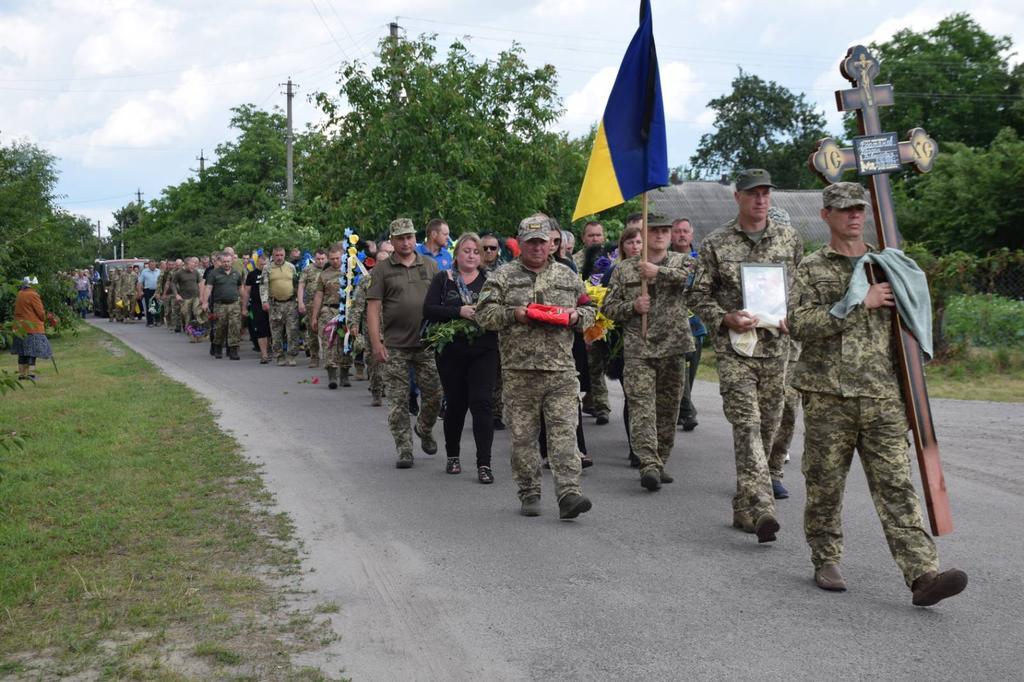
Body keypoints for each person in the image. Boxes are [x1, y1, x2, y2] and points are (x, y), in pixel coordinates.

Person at [790, 182, 967, 605]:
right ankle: (826, 557)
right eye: (844, 209)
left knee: (896, 485)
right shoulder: (813, 267)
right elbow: (798, 324)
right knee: (825, 483)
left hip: (883, 396)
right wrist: (857, 303)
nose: (854, 215)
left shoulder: (890, 266)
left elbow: (910, 323)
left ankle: (923, 574)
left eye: (859, 209)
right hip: (828, 395)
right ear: (826, 215)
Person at [687, 168, 803, 543]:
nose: (761, 199)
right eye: (753, 193)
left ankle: (743, 505)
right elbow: (697, 295)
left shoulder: (789, 238)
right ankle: (763, 505)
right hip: (736, 349)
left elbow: (800, 289)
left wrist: (794, 317)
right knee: (747, 424)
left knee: (768, 427)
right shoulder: (716, 242)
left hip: (777, 349)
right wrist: (724, 318)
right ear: (737, 197)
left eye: (766, 193)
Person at [477, 214, 596, 520]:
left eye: (542, 242)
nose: (537, 248)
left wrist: (575, 318)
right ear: (521, 243)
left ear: (551, 244)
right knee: (523, 438)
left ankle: (569, 493)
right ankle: (529, 490)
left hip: (561, 372)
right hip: (519, 373)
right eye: (531, 242)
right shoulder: (502, 276)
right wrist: (512, 314)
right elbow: (484, 314)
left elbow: (590, 309)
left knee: (564, 436)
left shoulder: (567, 275)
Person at [604, 217, 695, 491]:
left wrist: (658, 273)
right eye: (654, 230)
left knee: (668, 410)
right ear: (643, 234)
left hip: (673, 347)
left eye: (665, 231)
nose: (661, 235)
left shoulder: (684, 262)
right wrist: (633, 306)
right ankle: (648, 464)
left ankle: (660, 459)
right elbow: (608, 307)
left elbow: (692, 283)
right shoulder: (624, 269)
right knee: (642, 408)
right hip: (639, 349)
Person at [422, 232, 499, 484]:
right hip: (452, 352)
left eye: (476, 251)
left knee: (482, 403)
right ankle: (453, 455)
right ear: (456, 255)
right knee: (456, 404)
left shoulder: (491, 281)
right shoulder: (444, 279)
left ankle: (484, 463)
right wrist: (459, 311)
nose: (472, 255)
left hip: (484, 351)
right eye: (466, 250)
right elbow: (429, 310)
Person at [367, 219, 443, 468]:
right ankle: (405, 448)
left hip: (427, 344)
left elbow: (442, 302)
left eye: (409, 237)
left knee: (434, 395)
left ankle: (423, 426)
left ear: (415, 238)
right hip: (395, 345)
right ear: (392, 241)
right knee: (398, 401)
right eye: (400, 238)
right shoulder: (382, 270)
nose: (406, 242)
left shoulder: (430, 266)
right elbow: (373, 307)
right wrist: (377, 343)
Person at [601, 225, 643, 467]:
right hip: (625, 341)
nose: (635, 247)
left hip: (655, 342)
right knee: (633, 396)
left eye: (639, 242)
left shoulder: (656, 270)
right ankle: (636, 448)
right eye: (630, 243)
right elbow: (606, 306)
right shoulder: (614, 272)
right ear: (622, 246)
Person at [671, 218, 705, 432]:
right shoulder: (666, 259)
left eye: (685, 231)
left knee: (689, 374)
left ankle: (681, 409)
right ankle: (687, 411)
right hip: (672, 326)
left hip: (696, 324)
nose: (682, 235)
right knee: (678, 370)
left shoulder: (702, 260)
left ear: (692, 234)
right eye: (677, 231)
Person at [578, 219, 613, 425]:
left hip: (610, 316)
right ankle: (602, 406)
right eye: (591, 235)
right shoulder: (576, 259)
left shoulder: (613, 258)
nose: (595, 239)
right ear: (584, 238)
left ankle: (592, 400)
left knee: (605, 362)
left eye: (598, 235)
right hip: (589, 318)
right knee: (594, 364)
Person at [310, 244, 348, 388]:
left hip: (345, 312)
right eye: (332, 259)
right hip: (328, 311)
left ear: (342, 256)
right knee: (329, 343)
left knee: (346, 343)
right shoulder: (324, 274)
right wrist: (314, 316)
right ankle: (332, 376)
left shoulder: (350, 272)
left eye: (337, 258)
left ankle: (344, 375)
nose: (335, 261)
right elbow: (319, 295)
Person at [260, 246, 301, 366]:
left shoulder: (291, 267)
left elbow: (296, 284)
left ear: (285, 255)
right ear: (273, 256)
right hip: (275, 305)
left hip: (290, 304)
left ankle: (291, 356)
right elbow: (263, 286)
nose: (279, 257)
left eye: (281, 255)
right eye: (277, 255)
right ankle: (279, 356)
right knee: (276, 332)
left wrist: (299, 300)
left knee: (292, 331)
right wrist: (264, 301)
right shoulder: (267, 268)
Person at [202, 252, 244, 360]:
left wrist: (244, 303)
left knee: (234, 327)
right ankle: (218, 348)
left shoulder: (236, 273)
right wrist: (205, 302)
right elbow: (208, 288)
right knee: (219, 327)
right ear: (221, 262)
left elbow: (241, 288)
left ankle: (233, 350)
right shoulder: (214, 273)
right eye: (224, 261)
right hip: (219, 305)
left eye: (228, 261)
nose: (226, 263)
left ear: (232, 261)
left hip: (234, 304)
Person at [10, 277, 53, 382]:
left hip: (19, 327)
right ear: (33, 285)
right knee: (32, 352)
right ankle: (31, 374)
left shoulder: (20, 293)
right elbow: (40, 313)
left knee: (22, 352)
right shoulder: (34, 295)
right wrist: (46, 316)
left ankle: (21, 375)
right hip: (32, 328)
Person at [298, 249, 327, 368]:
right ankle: (314, 357)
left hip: (327, 305)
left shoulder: (330, 269)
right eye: (318, 259)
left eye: (322, 259)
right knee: (312, 332)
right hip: (311, 304)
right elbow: (301, 285)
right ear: (314, 258)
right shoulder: (308, 269)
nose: (320, 261)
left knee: (327, 332)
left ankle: (329, 358)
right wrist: (300, 302)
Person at [242, 254, 272, 362]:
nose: (263, 266)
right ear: (257, 263)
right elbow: (246, 292)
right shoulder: (252, 275)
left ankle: (269, 350)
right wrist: (244, 308)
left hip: (272, 305)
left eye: (265, 264)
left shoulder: (271, 273)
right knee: (261, 330)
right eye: (261, 263)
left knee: (270, 330)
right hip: (257, 306)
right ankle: (264, 354)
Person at [172, 257, 204, 342]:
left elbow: (200, 283)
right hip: (185, 298)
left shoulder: (196, 272)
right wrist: (176, 295)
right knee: (187, 316)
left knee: (197, 313)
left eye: (194, 265)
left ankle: (199, 334)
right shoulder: (179, 273)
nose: (193, 267)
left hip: (196, 297)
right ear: (185, 265)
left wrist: (202, 296)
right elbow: (173, 284)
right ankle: (191, 335)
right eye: (191, 265)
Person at [136, 260, 161, 326]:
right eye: (151, 265)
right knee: (149, 305)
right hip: (148, 290)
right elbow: (140, 282)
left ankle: (157, 320)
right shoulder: (144, 272)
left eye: (154, 265)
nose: (153, 266)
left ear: (156, 265)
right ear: (149, 265)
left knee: (156, 305)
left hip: (157, 290)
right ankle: (150, 322)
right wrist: (140, 291)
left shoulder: (159, 271)